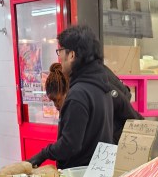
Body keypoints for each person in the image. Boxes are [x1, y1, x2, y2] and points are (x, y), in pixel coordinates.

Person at [29, 25, 113, 169]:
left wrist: (43, 154)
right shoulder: (102, 87)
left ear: (72, 55)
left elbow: (70, 145)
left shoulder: (78, 94)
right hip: (101, 171)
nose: (59, 57)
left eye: (60, 51)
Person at [104, 66, 143, 143]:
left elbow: (122, 102)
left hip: (120, 130)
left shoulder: (94, 74)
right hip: (115, 130)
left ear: (72, 56)